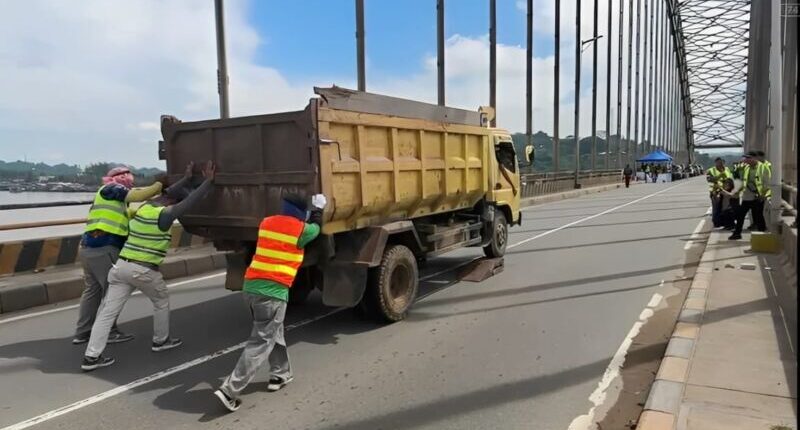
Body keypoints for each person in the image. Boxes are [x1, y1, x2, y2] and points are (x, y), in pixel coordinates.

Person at [81, 161, 215, 371]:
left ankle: (91, 356)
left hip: (120, 268)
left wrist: (186, 179)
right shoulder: (165, 215)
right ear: (171, 202)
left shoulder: (142, 209)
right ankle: (161, 340)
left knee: (107, 312)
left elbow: (168, 193)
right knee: (161, 300)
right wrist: (208, 182)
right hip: (143, 270)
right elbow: (189, 202)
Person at [214, 192, 327, 412]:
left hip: (250, 288)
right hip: (273, 292)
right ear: (300, 212)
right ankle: (230, 390)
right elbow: (316, 228)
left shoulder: (266, 223)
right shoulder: (301, 230)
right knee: (261, 341)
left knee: (274, 332)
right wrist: (319, 209)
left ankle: (280, 374)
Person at [73, 166, 165, 345]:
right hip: (104, 247)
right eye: (126, 176)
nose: (129, 180)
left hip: (87, 247)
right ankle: (108, 332)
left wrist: (158, 201)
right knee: (112, 292)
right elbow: (137, 196)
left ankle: (83, 332)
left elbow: (134, 210)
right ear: (118, 178)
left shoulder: (114, 200)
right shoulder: (111, 188)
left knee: (92, 291)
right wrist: (160, 184)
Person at [730, 152, 768, 240]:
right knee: (740, 215)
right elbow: (741, 179)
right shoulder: (746, 168)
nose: (746, 160)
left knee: (759, 217)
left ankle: (762, 235)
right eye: (746, 158)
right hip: (747, 197)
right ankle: (737, 233)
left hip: (758, 197)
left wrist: (763, 195)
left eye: (749, 158)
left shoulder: (763, 168)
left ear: (755, 158)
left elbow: (767, 183)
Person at [705, 158, 732, 228]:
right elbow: (709, 179)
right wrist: (719, 176)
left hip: (726, 191)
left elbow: (731, 178)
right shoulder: (711, 170)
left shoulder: (727, 169)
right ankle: (717, 223)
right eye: (719, 163)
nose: (721, 164)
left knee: (726, 208)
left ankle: (725, 223)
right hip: (716, 192)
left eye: (722, 163)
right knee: (716, 208)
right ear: (715, 163)